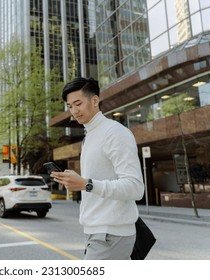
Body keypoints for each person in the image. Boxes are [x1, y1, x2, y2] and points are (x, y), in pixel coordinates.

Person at [51, 77, 144, 260]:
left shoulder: (114, 132)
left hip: (110, 234)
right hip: (96, 232)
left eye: (78, 103)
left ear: (94, 101)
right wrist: (77, 182)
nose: (74, 111)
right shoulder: (90, 136)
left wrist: (86, 184)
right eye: (70, 106)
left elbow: (135, 187)